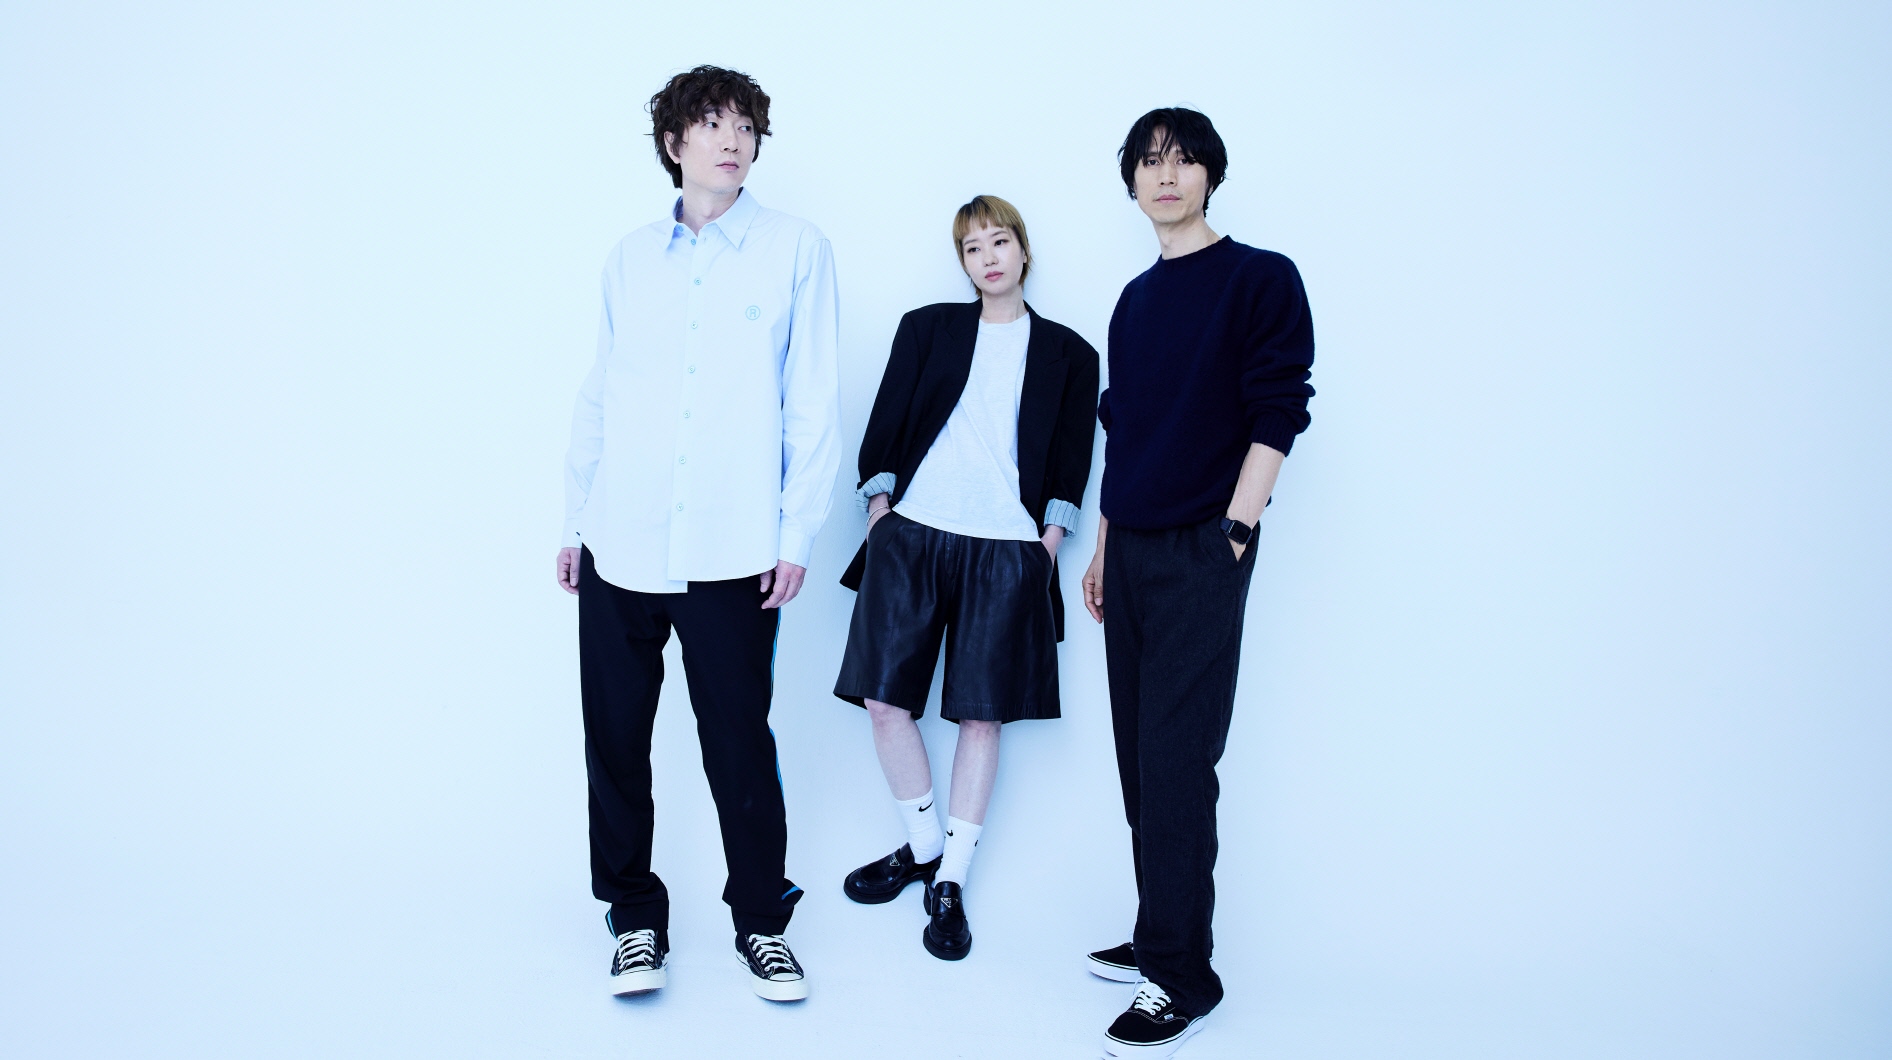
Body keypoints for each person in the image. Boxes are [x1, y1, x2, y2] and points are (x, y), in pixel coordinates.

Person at [556, 65, 839, 1003]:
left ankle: (763, 924)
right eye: (712, 123)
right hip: (622, 541)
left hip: (734, 550)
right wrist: (576, 520)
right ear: (674, 142)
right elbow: (601, 393)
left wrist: (796, 533)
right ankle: (634, 921)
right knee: (614, 743)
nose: (732, 140)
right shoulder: (630, 258)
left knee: (738, 745)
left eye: (746, 125)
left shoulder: (796, 249)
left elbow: (813, 404)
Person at [1079, 108, 1315, 1057]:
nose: (1165, 175)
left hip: (1203, 547)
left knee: (1179, 762)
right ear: (1132, 182)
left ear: (1211, 174)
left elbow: (1280, 405)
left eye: (1183, 160)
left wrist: (1236, 529)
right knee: (1142, 759)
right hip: (1131, 546)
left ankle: (1182, 978)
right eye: (1149, 162)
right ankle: (1160, 931)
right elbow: (1124, 429)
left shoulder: (1259, 277)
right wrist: (1104, 546)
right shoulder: (1134, 300)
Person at [833, 195, 1099, 961]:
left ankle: (950, 878)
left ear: (1023, 251)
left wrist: (1046, 547)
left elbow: (1072, 461)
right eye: (973, 247)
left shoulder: (1071, 354)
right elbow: (885, 423)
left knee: (982, 716)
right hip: (913, 533)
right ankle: (922, 844)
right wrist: (881, 512)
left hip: (1008, 549)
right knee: (885, 700)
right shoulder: (927, 329)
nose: (988, 257)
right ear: (963, 263)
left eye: (999, 241)